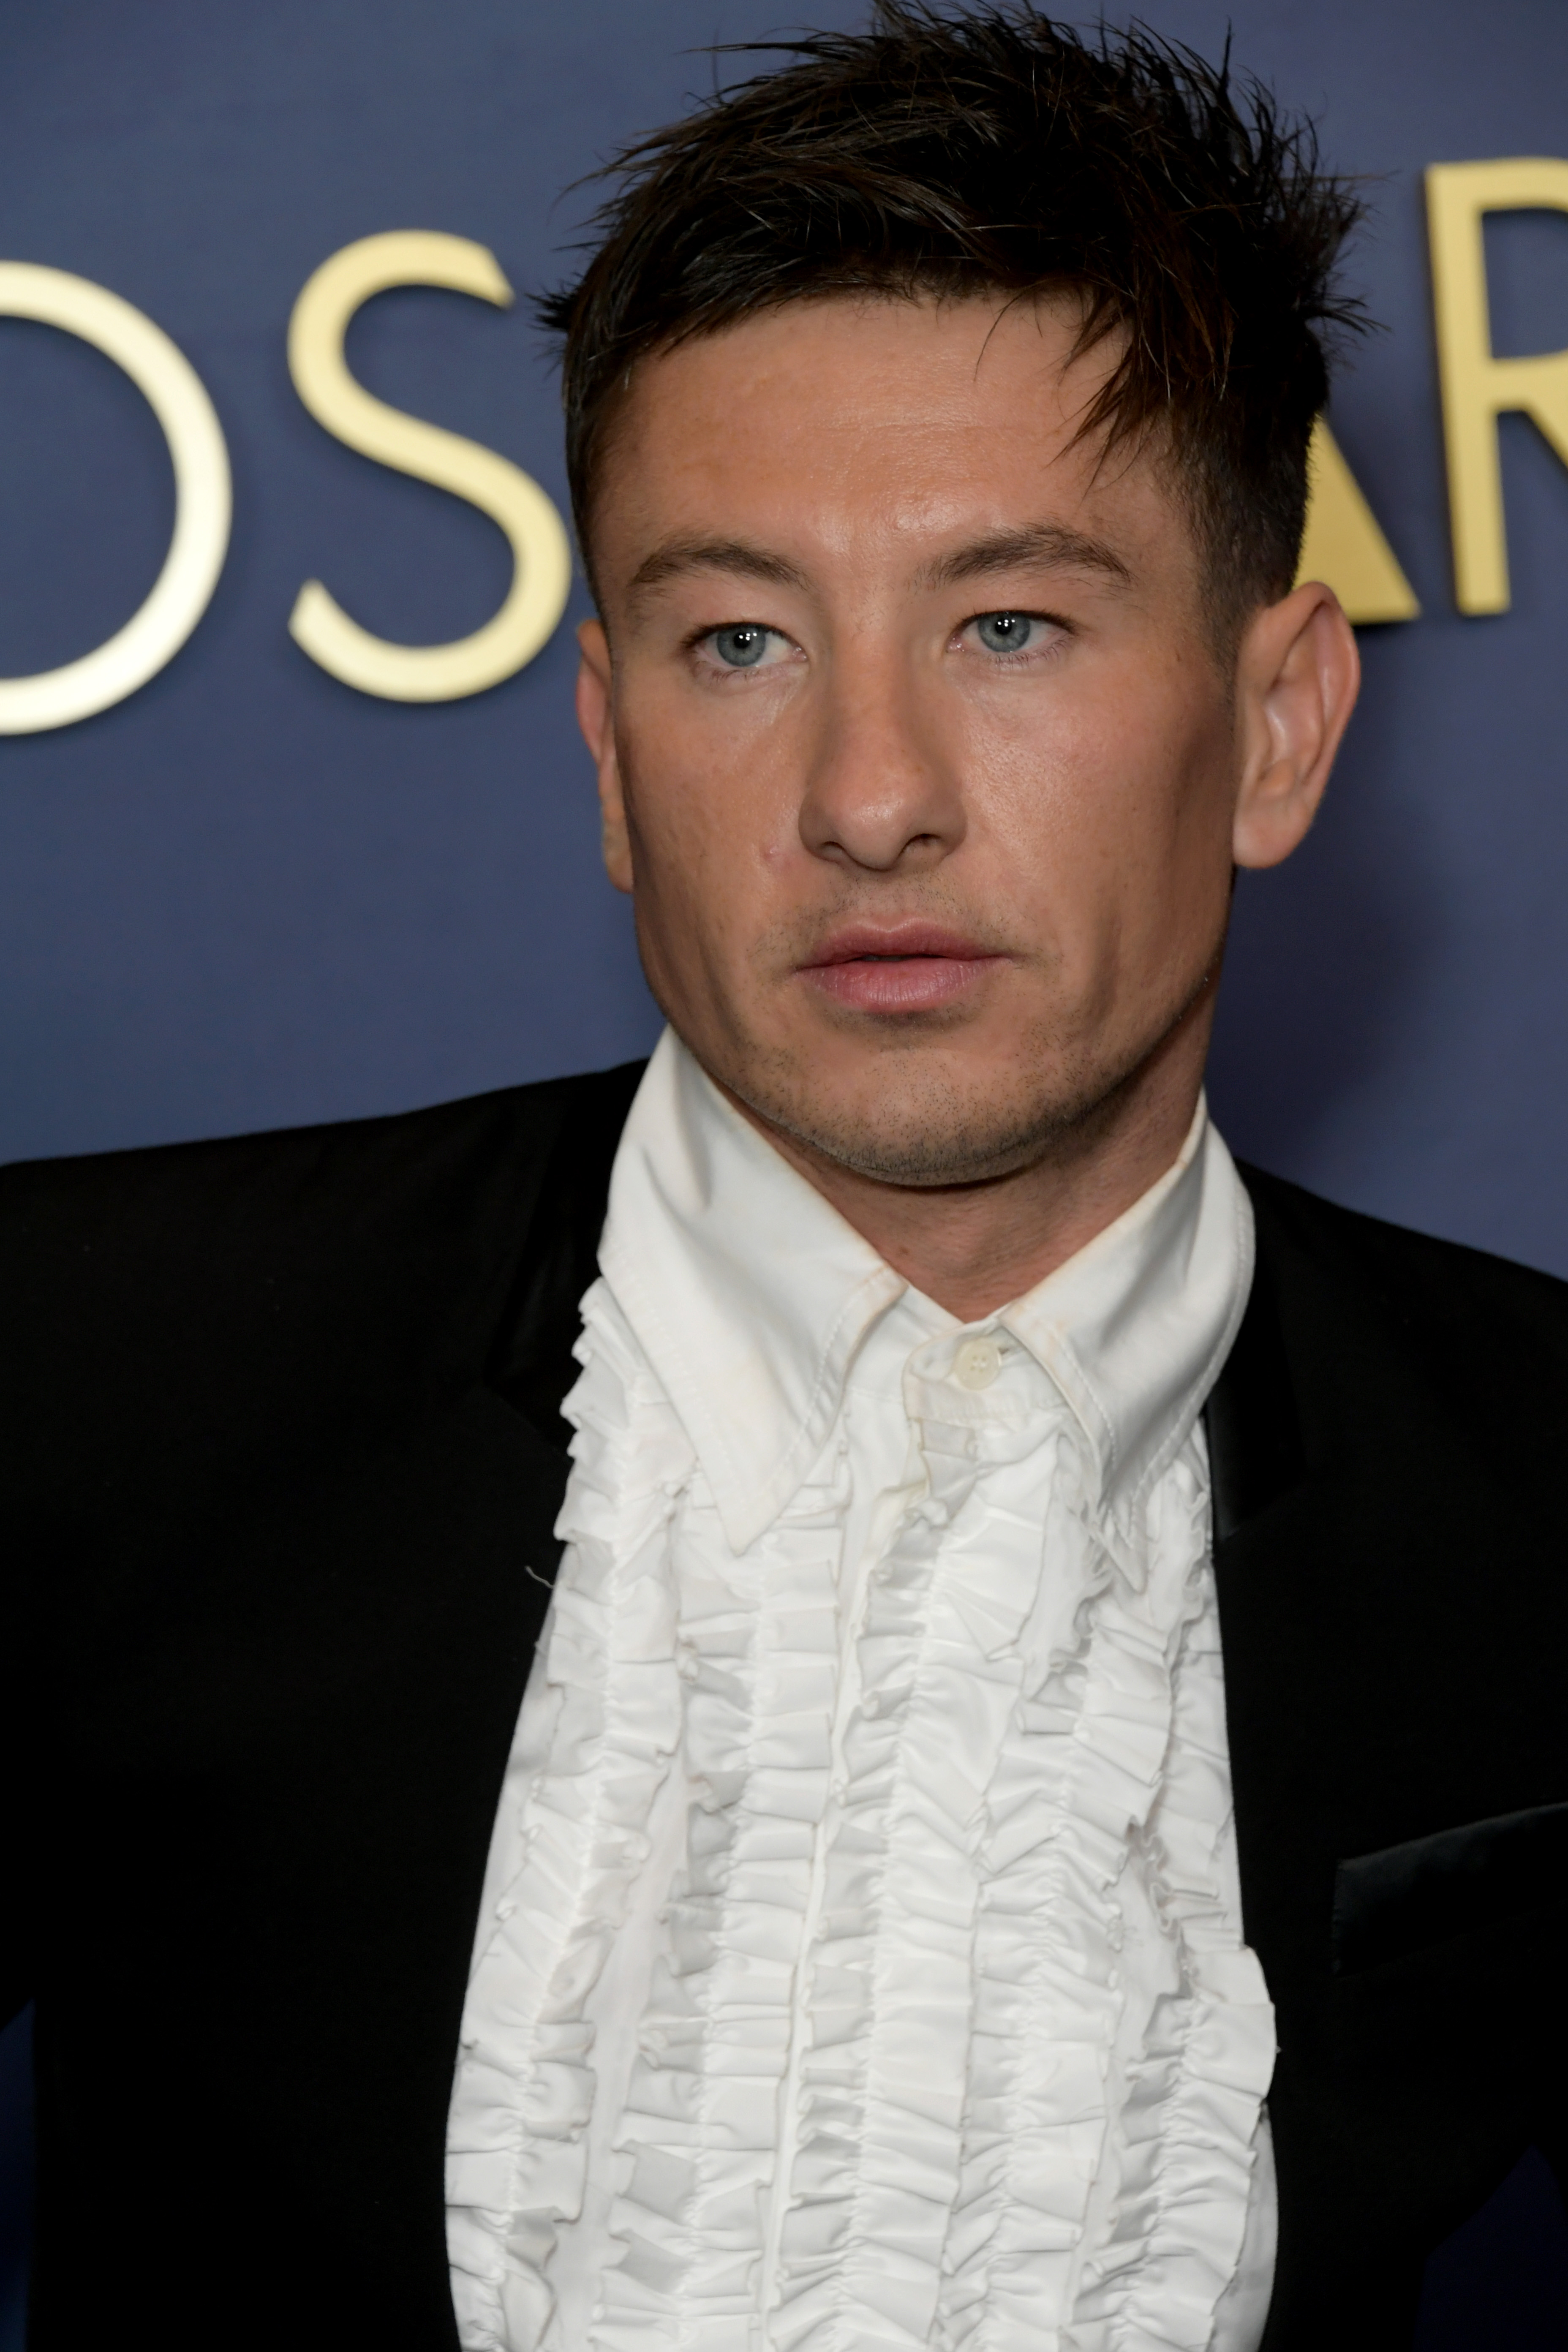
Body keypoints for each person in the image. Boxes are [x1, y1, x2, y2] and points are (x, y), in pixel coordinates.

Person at [2, 6, 1565, 2348]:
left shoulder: (1539, 1479)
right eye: (739, 638)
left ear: (1276, 721)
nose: (868, 794)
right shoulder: (89, 1371)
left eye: (1009, 626)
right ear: (614, 756)